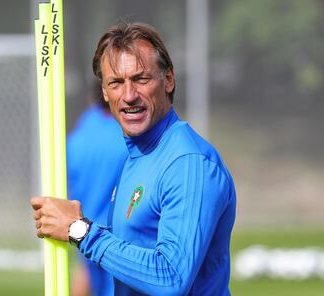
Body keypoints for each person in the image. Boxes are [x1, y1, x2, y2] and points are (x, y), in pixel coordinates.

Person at [31, 22, 236, 295]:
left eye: (141, 79)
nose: (129, 96)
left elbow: (171, 278)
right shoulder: (136, 155)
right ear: (105, 92)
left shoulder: (189, 163)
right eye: (116, 82)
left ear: (169, 79)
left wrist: (80, 231)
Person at [67, 82, 128, 296]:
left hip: (83, 228)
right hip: (119, 237)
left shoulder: (75, 138)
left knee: (83, 274)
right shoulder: (129, 137)